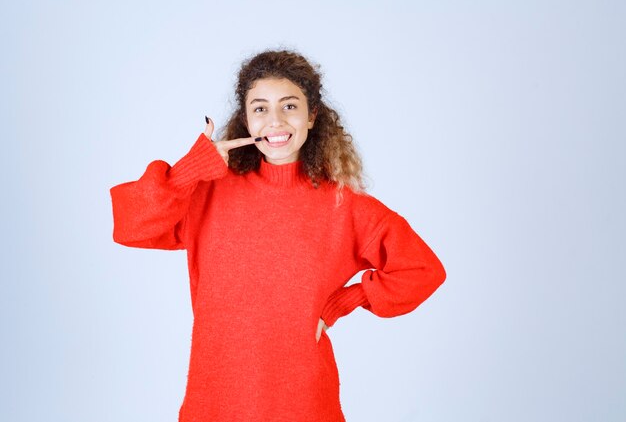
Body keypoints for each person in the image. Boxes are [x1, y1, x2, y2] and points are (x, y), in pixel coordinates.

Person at [110, 49, 446, 422]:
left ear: (312, 115)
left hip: (302, 401)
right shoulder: (208, 193)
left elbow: (422, 269)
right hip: (216, 399)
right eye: (260, 108)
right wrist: (190, 170)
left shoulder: (345, 206)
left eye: (289, 106)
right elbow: (130, 226)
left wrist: (346, 302)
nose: (275, 121)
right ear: (246, 120)